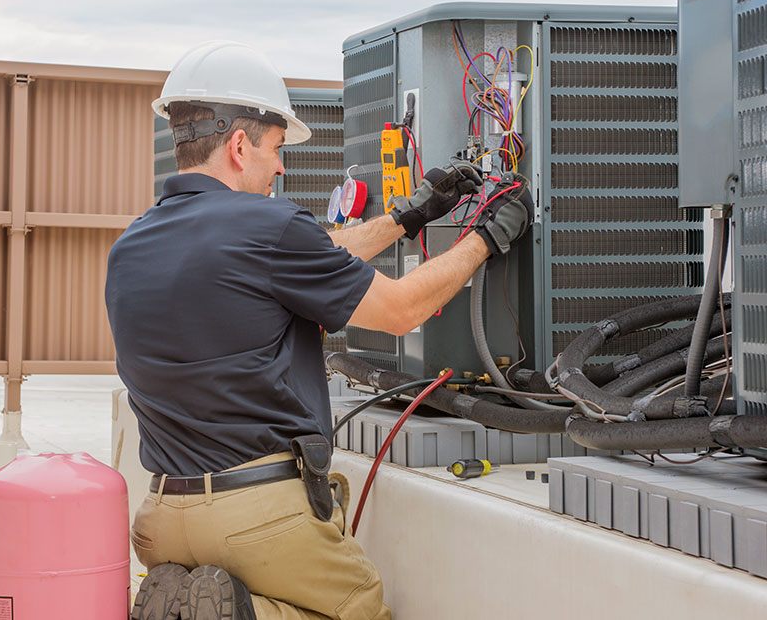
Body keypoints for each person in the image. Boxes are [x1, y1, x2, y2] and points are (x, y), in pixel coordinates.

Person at [105, 40, 532, 620]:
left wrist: (411, 217)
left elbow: (317, 254)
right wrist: (485, 236)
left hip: (161, 518)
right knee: (360, 611)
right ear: (238, 145)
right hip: (255, 514)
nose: (282, 167)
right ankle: (243, 614)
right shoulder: (269, 227)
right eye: (277, 149)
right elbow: (403, 308)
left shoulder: (132, 244)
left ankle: (192, 604)